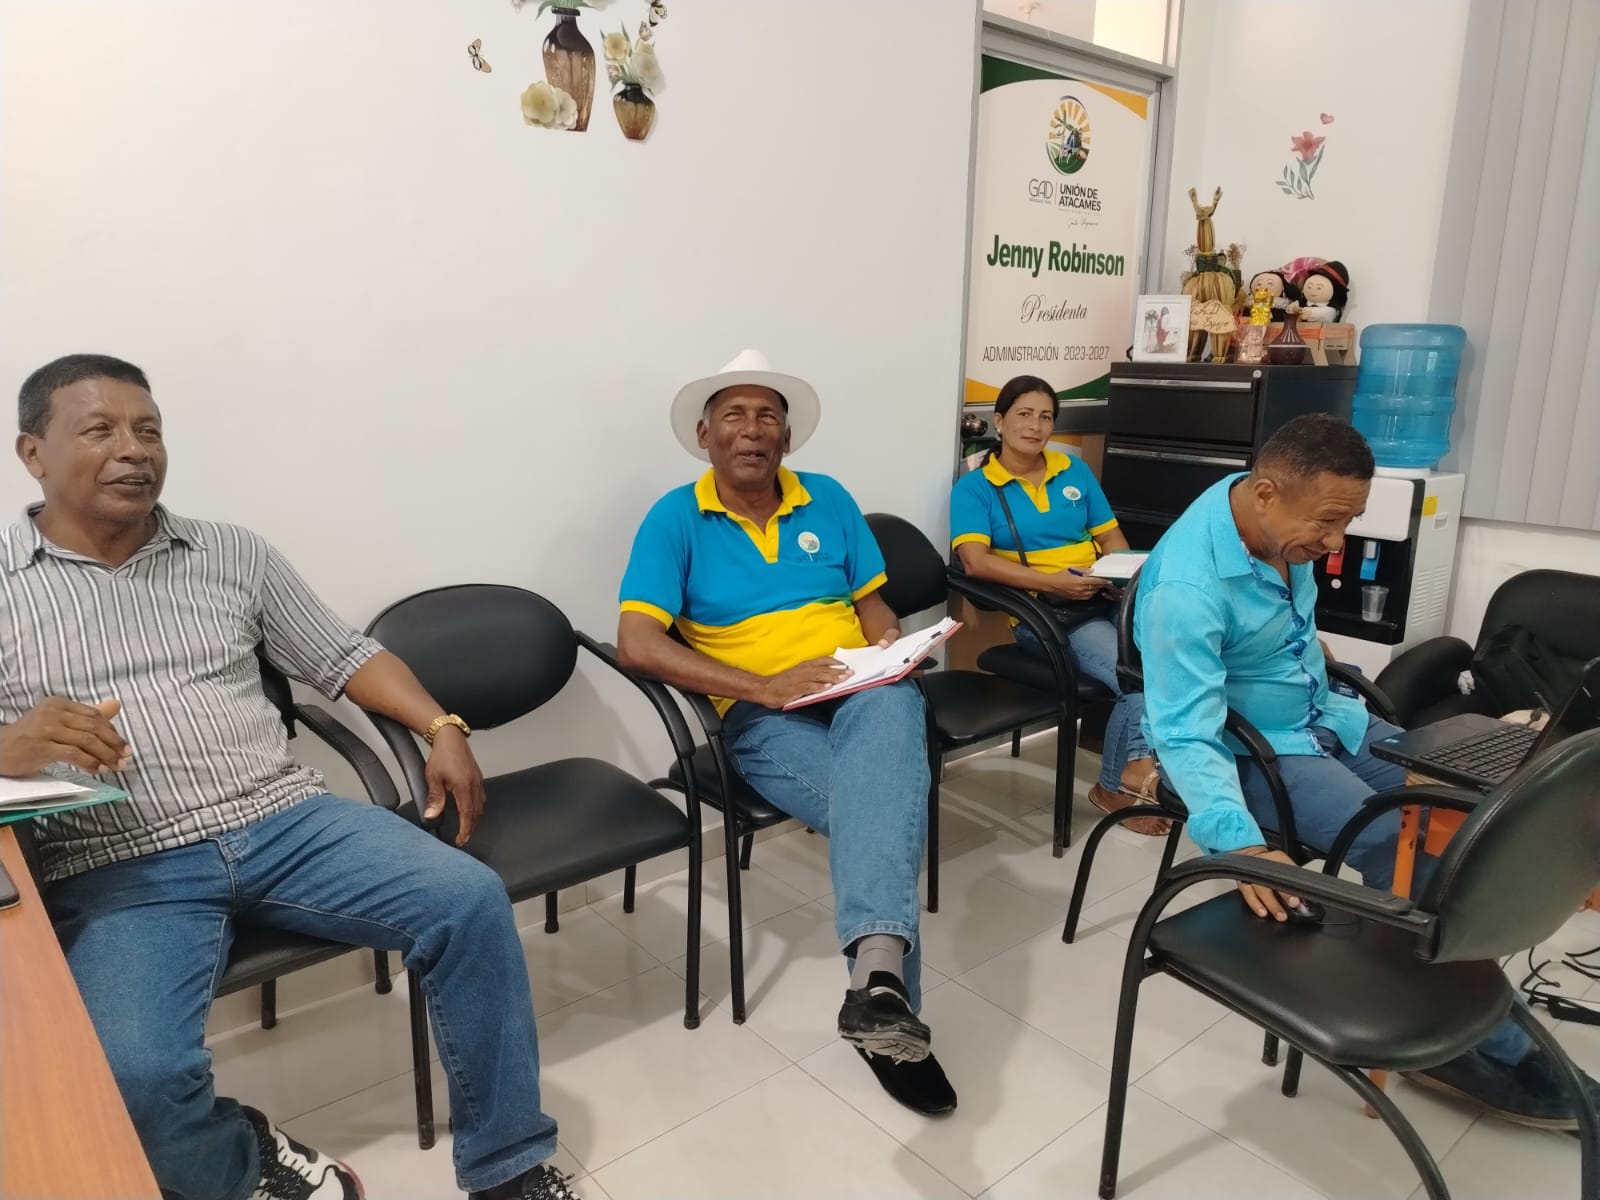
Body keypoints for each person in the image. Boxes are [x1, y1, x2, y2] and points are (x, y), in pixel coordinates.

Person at [0, 355, 570, 1200]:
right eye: (100, 430)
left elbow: (343, 656)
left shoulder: (231, 553)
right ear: (33, 453)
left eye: (149, 430)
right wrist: (9, 746)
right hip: (119, 863)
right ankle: (243, 1154)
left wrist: (440, 725)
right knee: (132, 1076)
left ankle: (509, 1167)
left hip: (285, 821)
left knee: (469, 900)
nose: (134, 450)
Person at [1136, 412, 1600, 1131]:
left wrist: (1317, 665)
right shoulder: (1186, 589)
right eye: (1328, 521)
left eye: (1347, 521)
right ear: (1267, 494)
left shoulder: (1269, 519)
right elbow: (1185, 734)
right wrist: (1240, 844)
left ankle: (1454, 990)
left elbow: (1286, 632)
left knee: (1459, 808)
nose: (1335, 543)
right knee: (1393, 842)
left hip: (1324, 718)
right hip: (1252, 751)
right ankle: (1475, 1042)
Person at [616, 349, 956, 1117]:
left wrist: (887, 643)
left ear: (787, 437)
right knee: (884, 810)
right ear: (704, 436)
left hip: (861, 690)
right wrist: (763, 686)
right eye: (734, 415)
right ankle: (885, 995)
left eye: (767, 416)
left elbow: (870, 602)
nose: (752, 429)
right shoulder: (674, 518)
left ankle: (877, 990)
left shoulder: (827, 498)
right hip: (762, 715)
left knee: (894, 715)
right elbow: (636, 643)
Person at [949, 375, 1165, 836]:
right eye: (1024, 414)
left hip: (1101, 595)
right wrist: (1054, 584)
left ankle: (1144, 766)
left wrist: (1117, 575)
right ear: (999, 421)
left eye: (1046, 417)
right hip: (1045, 614)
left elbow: (1111, 536)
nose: (1036, 426)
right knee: (1137, 673)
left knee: (1172, 653)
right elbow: (975, 562)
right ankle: (1118, 784)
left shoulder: (1074, 472)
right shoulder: (976, 488)